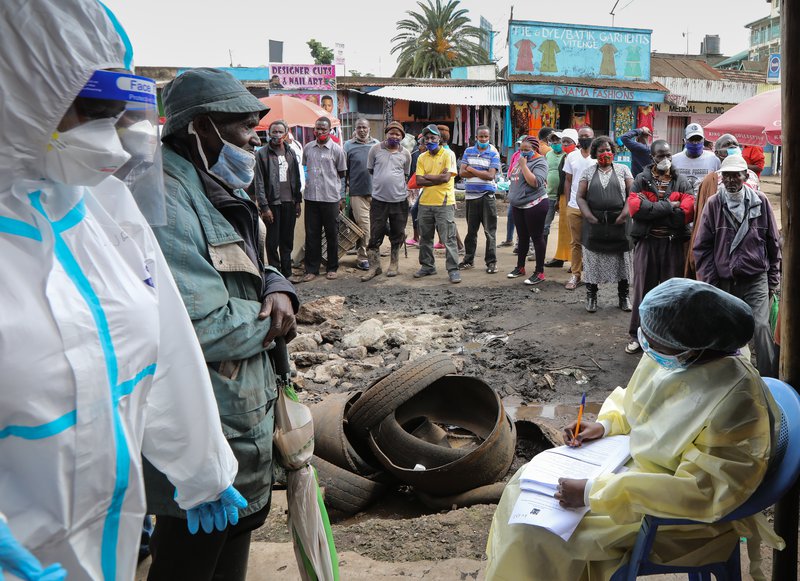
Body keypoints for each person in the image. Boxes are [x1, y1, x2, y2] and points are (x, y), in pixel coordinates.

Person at [0, 3, 245, 579]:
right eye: (92, 110)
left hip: (103, 548)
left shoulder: (99, 209)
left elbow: (163, 339)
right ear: (15, 92)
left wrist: (201, 465)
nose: (110, 139)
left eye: (118, 113)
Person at [486, 278, 784, 581]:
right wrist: (604, 425)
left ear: (696, 346)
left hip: (675, 517)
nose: (647, 344)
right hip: (638, 480)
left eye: (655, 341)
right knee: (524, 485)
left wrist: (593, 493)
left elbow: (703, 492)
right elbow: (640, 403)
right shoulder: (677, 358)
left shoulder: (737, 402)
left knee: (535, 532)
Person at [149, 67, 299, 580]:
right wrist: (275, 321)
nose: (251, 143)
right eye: (242, 131)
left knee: (232, 549)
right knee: (191, 560)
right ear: (201, 129)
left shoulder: (207, 181)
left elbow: (250, 265)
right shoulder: (165, 198)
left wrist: (278, 285)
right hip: (208, 422)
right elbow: (199, 322)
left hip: (241, 416)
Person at [693, 154, 781, 377]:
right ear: (722, 178)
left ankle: (769, 380)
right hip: (724, 280)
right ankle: (728, 378)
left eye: (736, 176)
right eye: (727, 176)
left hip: (755, 279)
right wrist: (711, 283)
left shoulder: (760, 201)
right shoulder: (714, 204)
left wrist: (772, 280)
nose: (732, 181)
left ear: (745, 176)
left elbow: (773, 244)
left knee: (761, 328)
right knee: (725, 330)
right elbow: (702, 248)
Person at [624, 139, 694, 353]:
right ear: (652, 157)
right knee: (642, 290)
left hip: (672, 244)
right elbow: (635, 208)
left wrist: (653, 210)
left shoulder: (681, 180)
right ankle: (638, 334)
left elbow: (687, 213)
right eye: (660, 155)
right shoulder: (641, 179)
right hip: (647, 243)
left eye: (668, 155)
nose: (665, 159)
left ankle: (670, 337)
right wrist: (668, 207)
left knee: (672, 292)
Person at [684, 133, 760, 278]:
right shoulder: (710, 180)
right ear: (717, 153)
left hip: (748, 246)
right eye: (726, 145)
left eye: (735, 144)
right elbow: (701, 218)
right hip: (720, 244)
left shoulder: (752, 176)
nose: (732, 147)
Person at [576, 136, 633, 312]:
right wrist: (588, 215)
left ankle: (623, 297)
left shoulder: (624, 170)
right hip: (595, 224)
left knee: (622, 261)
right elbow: (580, 197)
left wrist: (625, 213)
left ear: (613, 152)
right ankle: (591, 296)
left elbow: (633, 195)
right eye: (601, 151)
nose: (605, 153)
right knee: (593, 261)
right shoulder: (588, 172)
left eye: (608, 150)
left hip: (620, 224)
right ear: (595, 153)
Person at [296, 116, 347, 282]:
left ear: (329, 130)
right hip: (311, 198)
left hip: (330, 198)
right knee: (312, 235)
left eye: (323, 129)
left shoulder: (337, 150)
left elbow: (342, 174)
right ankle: (312, 269)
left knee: (332, 234)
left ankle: (332, 267)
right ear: (314, 130)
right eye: (317, 128)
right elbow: (305, 168)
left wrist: (341, 197)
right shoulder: (308, 148)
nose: (320, 132)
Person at [361, 121, 412, 280]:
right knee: (375, 233)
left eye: (398, 134)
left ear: (401, 137)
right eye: (392, 133)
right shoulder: (375, 150)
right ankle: (374, 267)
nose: (394, 136)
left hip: (399, 200)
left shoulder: (406, 154)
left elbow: (405, 174)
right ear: (386, 134)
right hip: (379, 200)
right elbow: (371, 170)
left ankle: (394, 264)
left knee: (397, 232)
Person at [251, 120, 303, 277]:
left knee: (287, 240)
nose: (277, 135)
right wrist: (264, 207)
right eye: (274, 131)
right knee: (272, 241)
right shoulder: (262, 154)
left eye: (281, 132)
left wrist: (298, 201)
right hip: (272, 203)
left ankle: (287, 273)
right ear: (269, 133)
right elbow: (258, 182)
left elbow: (296, 177)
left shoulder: (290, 152)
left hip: (290, 202)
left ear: (286, 134)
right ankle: (275, 273)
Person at [414, 124, 460, 283]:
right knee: (425, 237)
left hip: (444, 202)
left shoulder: (449, 154)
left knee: (449, 238)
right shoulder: (421, 157)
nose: (429, 140)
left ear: (439, 139)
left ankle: (453, 270)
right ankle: (427, 266)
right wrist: (437, 178)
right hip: (425, 202)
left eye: (433, 137)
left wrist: (428, 178)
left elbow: (446, 178)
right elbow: (419, 181)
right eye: (426, 138)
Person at [506, 136, 549, 284]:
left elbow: (535, 182)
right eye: (521, 149)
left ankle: (539, 272)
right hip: (518, 205)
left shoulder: (540, 162)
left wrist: (524, 166)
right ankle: (520, 267)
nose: (523, 152)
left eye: (527, 150)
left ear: (535, 149)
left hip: (535, 204)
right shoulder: (520, 160)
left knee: (536, 237)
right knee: (522, 237)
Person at [459, 125, 501, 273]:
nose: (483, 139)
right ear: (476, 137)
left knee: (490, 231)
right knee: (471, 231)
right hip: (471, 196)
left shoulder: (493, 152)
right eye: (480, 136)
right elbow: (461, 173)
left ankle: (491, 262)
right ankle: (468, 260)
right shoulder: (468, 151)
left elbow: (490, 176)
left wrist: (471, 169)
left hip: (486, 196)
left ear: (489, 137)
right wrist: (480, 172)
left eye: (486, 137)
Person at [343, 118, 380, 270]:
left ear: (369, 128)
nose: (362, 130)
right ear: (355, 129)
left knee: (376, 226)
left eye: (364, 127)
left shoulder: (377, 144)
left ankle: (373, 252)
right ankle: (363, 257)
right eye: (359, 127)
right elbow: (344, 170)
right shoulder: (348, 145)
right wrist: (343, 191)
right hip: (357, 192)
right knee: (364, 226)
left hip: (377, 193)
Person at [562, 126, 596, 290]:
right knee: (576, 242)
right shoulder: (572, 156)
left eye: (587, 136)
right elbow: (568, 180)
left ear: (593, 137)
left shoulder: (598, 156)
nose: (584, 139)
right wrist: (569, 201)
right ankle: (576, 274)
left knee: (592, 242)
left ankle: (591, 274)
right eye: (581, 136)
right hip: (575, 207)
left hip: (594, 207)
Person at [545, 128, 578, 269]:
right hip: (563, 197)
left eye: (567, 142)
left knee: (573, 230)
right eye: (563, 142)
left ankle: (575, 261)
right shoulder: (565, 157)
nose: (564, 144)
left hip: (574, 197)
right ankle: (560, 257)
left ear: (575, 143)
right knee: (563, 230)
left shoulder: (577, 156)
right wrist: (559, 199)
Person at [671, 123, 721, 195]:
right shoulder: (674, 160)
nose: (695, 143)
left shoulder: (714, 160)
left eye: (698, 139)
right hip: (681, 203)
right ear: (684, 141)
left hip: (705, 203)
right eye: (692, 139)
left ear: (703, 140)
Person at [541, 131, 565, 264]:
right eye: (553, 141)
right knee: (545, 226)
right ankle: (541, 255)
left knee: (566, 228)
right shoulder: (548, 154)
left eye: (558, 141)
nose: (556, 144)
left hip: (564, 196)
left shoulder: (568, 155)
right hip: (549, 195)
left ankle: (562, 257)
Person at [500, 135, 526, 248]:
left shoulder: (529, 157)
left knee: (522, 218)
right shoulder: (516, 155)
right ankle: (509, 239)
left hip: (524, 190)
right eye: (519, 145)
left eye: (522, 145)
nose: (520, 147)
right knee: (511, 215)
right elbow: (511, 170)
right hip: (514, 188)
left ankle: (520, 242)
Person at [406, 135, 425, 247]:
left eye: (421, 144)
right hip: (418, 187)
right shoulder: (417, 155)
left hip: (421, 188)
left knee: (418, 212)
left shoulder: (421, 156)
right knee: (415, 211)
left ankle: (419, 238)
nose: (420, 146)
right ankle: (417, 237)